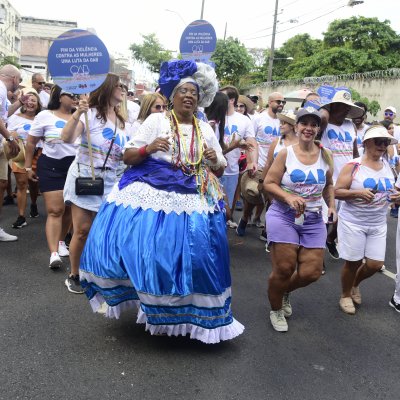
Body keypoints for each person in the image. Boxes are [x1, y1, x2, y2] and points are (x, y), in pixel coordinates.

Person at [79, 60, 244, 343]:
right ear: (172, 97)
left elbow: (217, 168)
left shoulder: (204, 128)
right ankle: (155, 304)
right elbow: (128, 156)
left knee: (199, 257)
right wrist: (149, 147)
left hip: (195, 195)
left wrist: (211, 157)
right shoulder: (155, 121)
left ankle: (190, 314)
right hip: (154, 191)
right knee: (153, 254)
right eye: (184, 91)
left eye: (194, 92)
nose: (189, 96)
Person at [263, 107, 336, 332]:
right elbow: (268, 183)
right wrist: (288, 196)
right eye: (304, 123)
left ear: (318, 129)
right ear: (296, 126)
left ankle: (285, 290)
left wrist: (331, 206)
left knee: (311, 272)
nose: (309, 128)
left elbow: (329, 184)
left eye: (314, 125)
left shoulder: (326, 155)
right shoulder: (287, 153)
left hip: (313, 219)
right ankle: (275, 309)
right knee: (284, 268)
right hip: (283, 216)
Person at [61, 73, 131, 294]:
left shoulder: (121, 120)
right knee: (82, 230)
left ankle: (95, 270)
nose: (123, 89)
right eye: (119, 86)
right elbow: (66, 138)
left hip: (111, 181)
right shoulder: (88, 114)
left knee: (103, 230)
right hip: (85, 177)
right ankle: (74, 274)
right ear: (108, 88)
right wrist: (78, 113)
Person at [335, 126, 400, 315]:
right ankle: (345, 294)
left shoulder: (388, 165)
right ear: (366, 143)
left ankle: (354, 283)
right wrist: (357, 192)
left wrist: (397, 197)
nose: (382, 145)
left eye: (385, 142)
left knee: (375, 264)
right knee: (353, 262)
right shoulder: (354, 165)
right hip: (353, 222)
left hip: (378, 222)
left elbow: (395, 190)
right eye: (378, 141)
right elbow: (337, 191)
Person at [25, 85, 78, 268]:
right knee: (56, 210)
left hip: (76, 167)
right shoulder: (44, 116)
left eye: (77, 95)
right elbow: (31, 143)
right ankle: (53, 252)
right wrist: (27, 167)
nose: (75, 97)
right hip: (51, 166)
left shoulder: (82, 115)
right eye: (71, 94)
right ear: (59, 96)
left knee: (69, 208)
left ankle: (62, 240)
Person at [319, 90, 364, 259]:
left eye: (348, 107)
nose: (346, 110)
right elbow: (323, 116)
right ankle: (318, 253)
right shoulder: (323, 124)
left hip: (346, 178)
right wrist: (327, 107)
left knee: (342, 217)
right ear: (333, 106)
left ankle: (330, 240)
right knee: (324, 217)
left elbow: (354, 153)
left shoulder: (350, 125)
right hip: (328, 177)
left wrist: (358, 172)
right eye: (342, 106)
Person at [219, 85, 257, 228]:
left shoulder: (243, 120)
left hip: (231, 171)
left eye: (222, 97)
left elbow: (251, 142)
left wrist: (252, 161)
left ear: (231, 100)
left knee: (226, 211)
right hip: (212, 171)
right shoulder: (213, 117)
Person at [7, 91, 42, 228]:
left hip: (37, 154)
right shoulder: (15, 117)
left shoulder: (42, 118)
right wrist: (12, 133)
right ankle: (21, 216)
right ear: (23, 102)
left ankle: (33, 204)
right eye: (28, 99)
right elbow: (8, 132)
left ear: (38, 104)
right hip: (20, 154)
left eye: (34, 100)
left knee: (33, 184)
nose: (30, 102)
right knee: (21, 184)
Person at [0, 64, 22, 241]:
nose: (19, 83)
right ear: (14, 78)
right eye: (20, 80)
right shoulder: (0, 87)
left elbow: (4, 113)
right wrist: (9, 137)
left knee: (2, 184)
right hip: (2, 141)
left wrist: (20, 103)